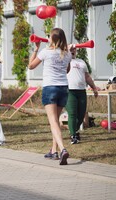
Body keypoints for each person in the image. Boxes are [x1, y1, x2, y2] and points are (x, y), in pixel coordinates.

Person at [28, 28, 73, 165]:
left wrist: (36, 49)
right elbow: (67, 70)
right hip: (63, 88)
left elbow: (30, 66)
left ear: (52, 39)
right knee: (56, 122)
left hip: (50, 88)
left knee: (53, 122)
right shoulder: (67, 53)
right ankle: (54, 150)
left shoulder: (45, 52)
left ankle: (63, 149)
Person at [66, 46, 98, 144]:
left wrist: (94, 87)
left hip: (81, 91)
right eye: (70, 48)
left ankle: (74, 130)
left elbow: (87, 76)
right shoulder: (64, 60)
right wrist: (67, 52)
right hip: (69, 91)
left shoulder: (81, 62)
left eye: (74, 48)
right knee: (72, 113)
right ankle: (73, 136)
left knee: (81, 114)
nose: (73, 50)